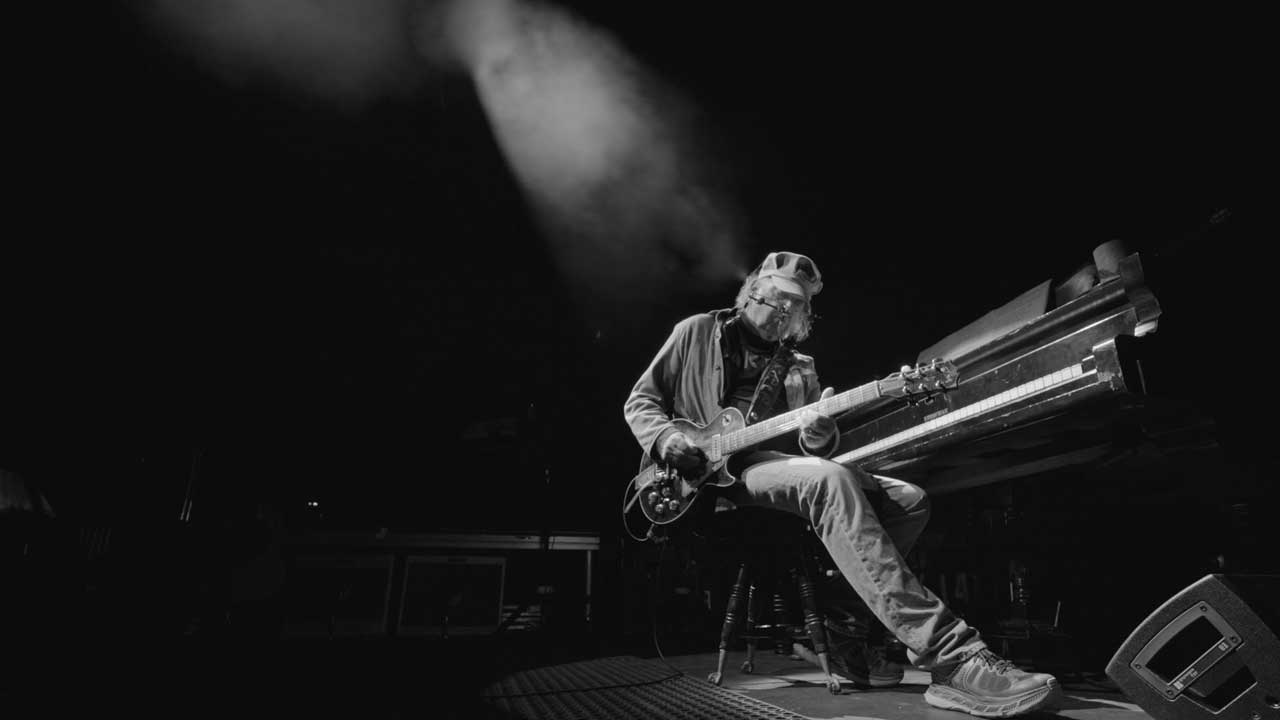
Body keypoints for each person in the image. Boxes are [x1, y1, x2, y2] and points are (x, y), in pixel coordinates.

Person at [623, 251, 1061, 717]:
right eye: (778, 300)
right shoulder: (695, 332)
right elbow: (640, 401)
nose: (784, 313)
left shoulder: (799, 366)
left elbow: (814, 446)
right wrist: (666, 438)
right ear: (752, 292)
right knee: (829, 481)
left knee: (909, 500)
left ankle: (845, 625)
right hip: (707, 481)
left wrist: (819, 435)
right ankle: (950, 655)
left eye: (796, 306)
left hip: (761, 463)